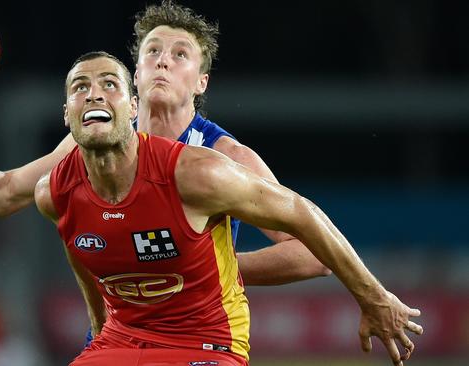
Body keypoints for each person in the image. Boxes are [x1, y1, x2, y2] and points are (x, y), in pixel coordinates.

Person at [34, 51, 422, 366]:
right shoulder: (55, 193)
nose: (94, 94)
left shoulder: (196, 173)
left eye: (109, 84)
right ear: (68, 114)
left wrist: (373, 296)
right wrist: (99, 328)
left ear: (133, 106)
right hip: (122, 344)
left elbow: (301, 213)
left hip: (203, 346)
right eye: (80, 87)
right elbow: (82, 247)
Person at [0, 0, 329, 288]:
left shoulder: (224, 156)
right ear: (134, 75)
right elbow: (1, 194)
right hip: (118, 333)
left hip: (190, 336)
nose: (163, 60)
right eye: (152, 51)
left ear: (201, 82)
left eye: (180, 54)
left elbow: (313, 253)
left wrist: (213, 270)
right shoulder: (94, 141)